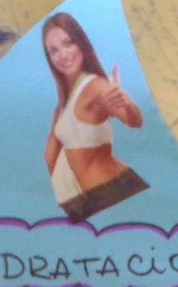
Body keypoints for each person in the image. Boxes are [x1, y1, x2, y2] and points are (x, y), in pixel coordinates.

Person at [42, 12, 148, 223]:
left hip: (113, 192)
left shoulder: (97, 86)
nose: (63, 55)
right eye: (53, 50)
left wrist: (126, 102)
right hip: (86, 201)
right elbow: (49, 155)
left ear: (81, 43)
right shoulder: (61, 105)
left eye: (68, 43)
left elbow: (134, 121)